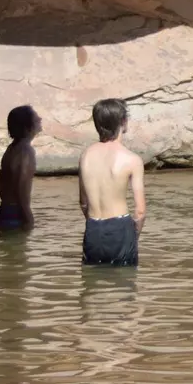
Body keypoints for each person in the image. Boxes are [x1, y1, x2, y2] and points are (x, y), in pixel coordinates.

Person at [79, 98, 145, 267]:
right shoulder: (132, 159)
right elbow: (140, 211)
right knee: (123, 285)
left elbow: (83, 203)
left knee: (92, 285)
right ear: (123, 121)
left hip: (93, 227)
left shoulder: (86, 156)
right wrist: (132, 237)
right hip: (120, 228)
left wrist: (94, 223)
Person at [0, 105, 41, 233]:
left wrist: (8, 203)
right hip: (16, 214)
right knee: (19, 251)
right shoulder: (26, 151)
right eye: (36, 117)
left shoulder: (11, 149)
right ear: (27, 126)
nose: (40, 118)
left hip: (4, 210)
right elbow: (22, 187)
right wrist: (28, 218)